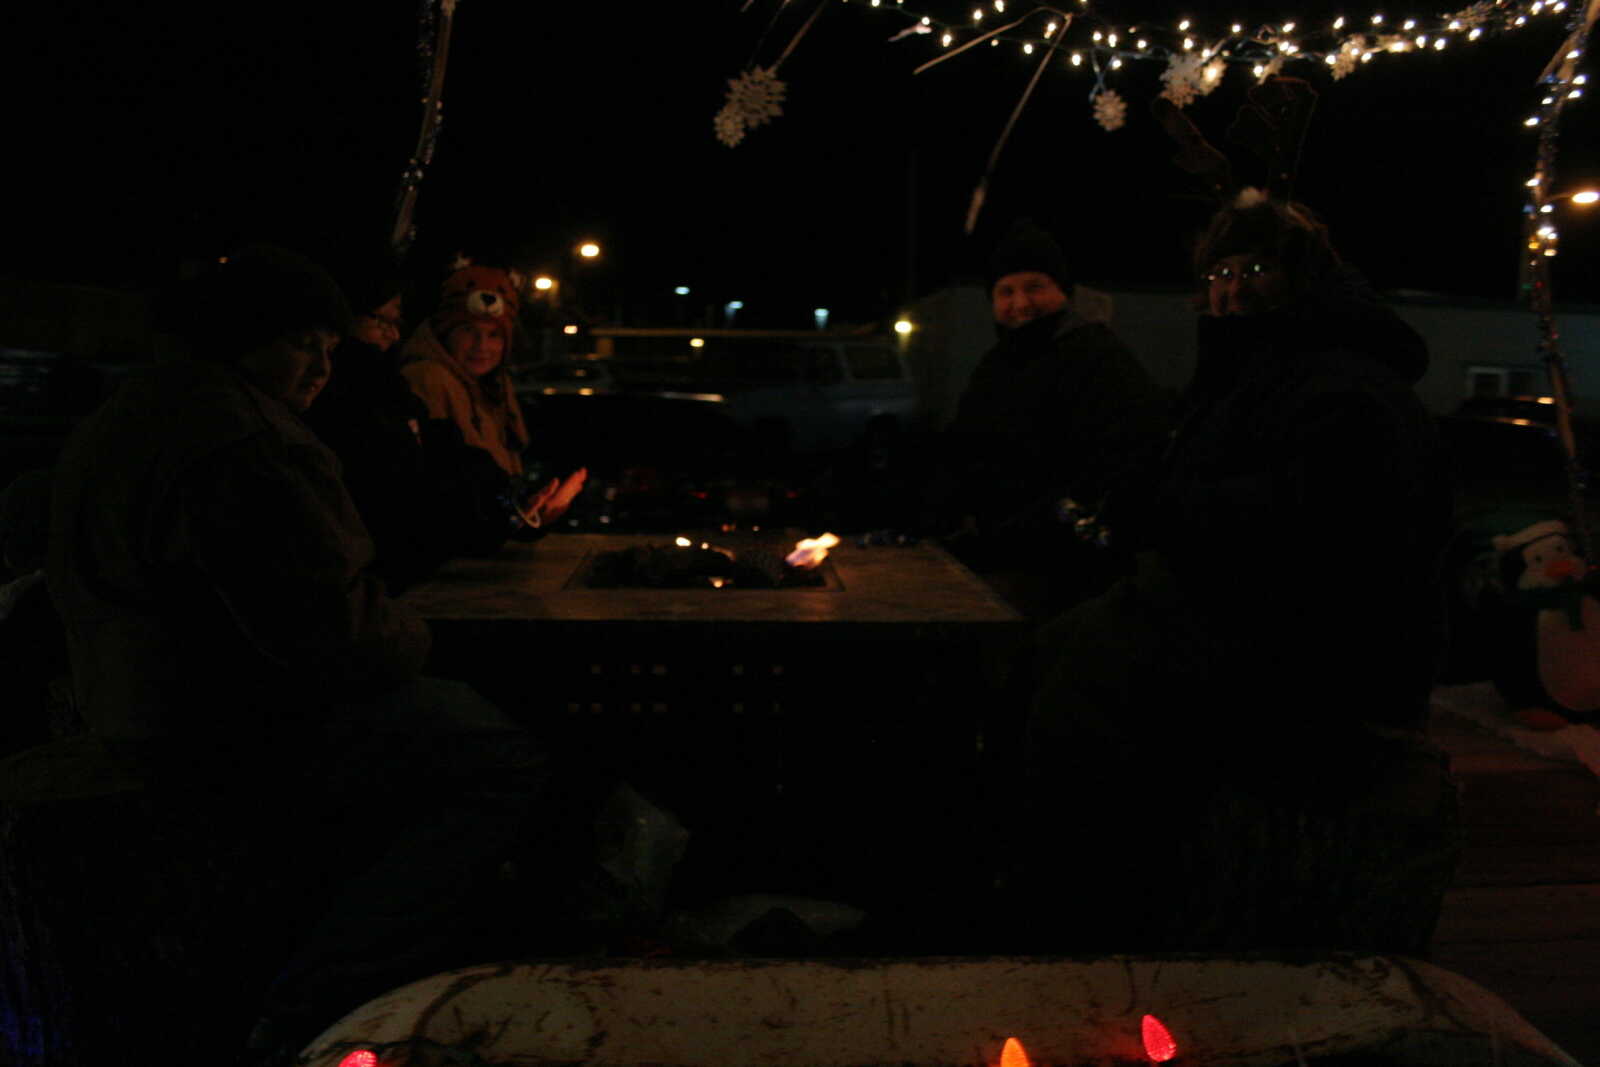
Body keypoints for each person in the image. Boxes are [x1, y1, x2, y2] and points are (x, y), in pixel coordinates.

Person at [32, 247, 577, 1061]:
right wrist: (425, 635)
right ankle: (325, 995)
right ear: (239, 337)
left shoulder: (138, 410)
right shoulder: (245, 443)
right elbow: (337, 636)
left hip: (139, 700)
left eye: (330, 345)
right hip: (225, 723)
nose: (323, 366)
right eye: (301, 343)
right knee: (505, 755)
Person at [1013, 190, 1457, 954]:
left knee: (1085, 689)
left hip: (1320, 657)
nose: (1232, 288)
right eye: (1219, 272)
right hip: (1235, 617)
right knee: (1045, 654)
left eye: (1254, 268)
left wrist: (1165, 509)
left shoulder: (1345, 382)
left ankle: (1092, 920)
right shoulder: (1247, 371)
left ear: (1298, 278)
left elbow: (1314, 525)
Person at [937, 218, 1172, 619]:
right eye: (1006, 291)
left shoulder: (1098, 357)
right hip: (994, 554)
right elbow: (964, 445)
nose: (1020, 303)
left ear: (1063, 291)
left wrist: (1035, 526)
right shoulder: (995, 365)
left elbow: (1122, 458)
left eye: (1035, 287)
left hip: (1065, 570)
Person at [308, 255, 545, 592]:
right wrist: (505, 515)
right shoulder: (419, 380)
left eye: (494, 335)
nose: (482, 346)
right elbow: (428, 482)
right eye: (469, 331)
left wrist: (519, 510)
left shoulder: (492, 387)